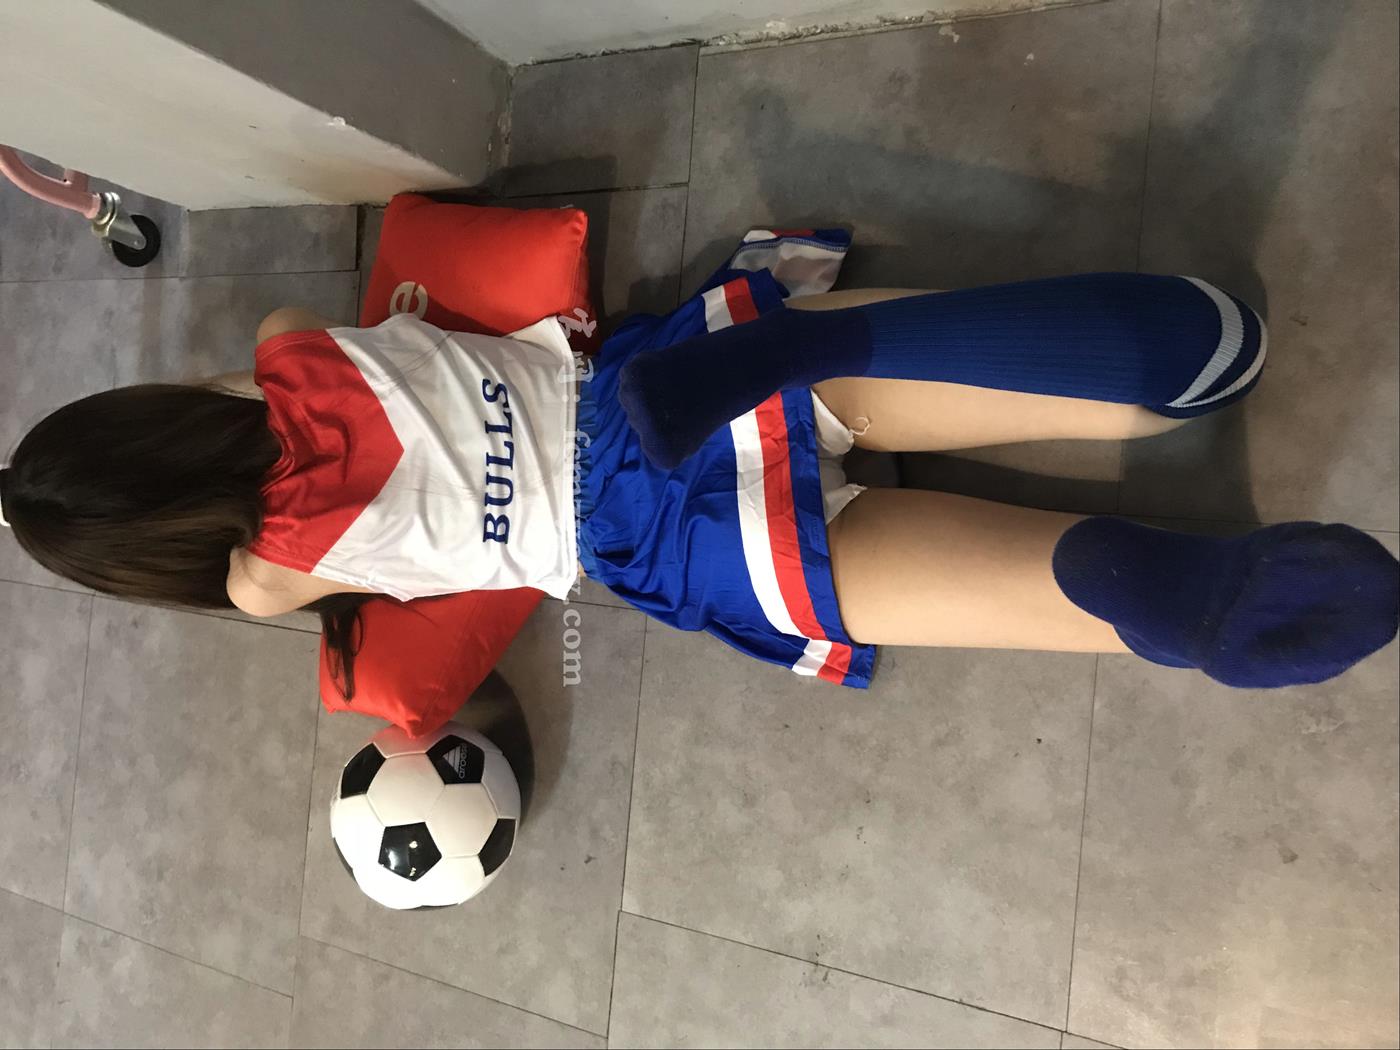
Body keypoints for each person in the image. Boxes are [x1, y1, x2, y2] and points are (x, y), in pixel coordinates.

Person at [1, 230, 1395, 694]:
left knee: (959, 588)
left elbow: (282, 578)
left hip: (656, 548)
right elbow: (252, 359)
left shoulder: (263, 580)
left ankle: (1143, 588)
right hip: (648, 392)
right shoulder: (287, 351)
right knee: (856, 364)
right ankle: (1177, 367)